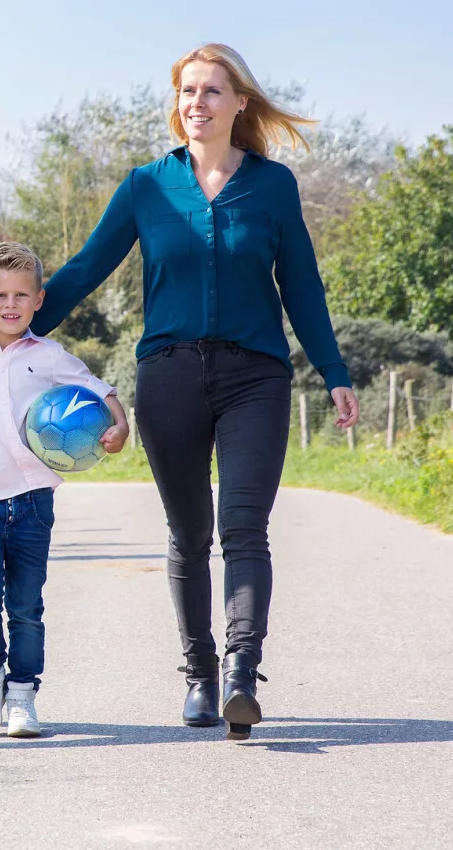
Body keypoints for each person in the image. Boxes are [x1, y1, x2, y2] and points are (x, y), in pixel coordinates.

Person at [29, 44, 360, 740]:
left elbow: (300, 282)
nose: (197, 104)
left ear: (240, 103)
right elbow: (88, 265)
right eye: (187, 91)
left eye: (212, 92)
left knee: (244, 527)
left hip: (255, 378)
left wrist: (333, 371)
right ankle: (199, 675)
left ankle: (242, 671)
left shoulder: (273, 187)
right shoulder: (147, 186)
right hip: (170, 376)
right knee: (188, 533)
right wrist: (18, 325)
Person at [0, 241, 128, 737]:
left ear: (38, 300)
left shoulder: (50, 356)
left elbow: (101, 388)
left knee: (26, 605)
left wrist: (119, 425)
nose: (9, 305)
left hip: (33, 501)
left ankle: (22, 698)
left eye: (21, 295)